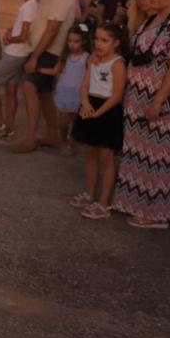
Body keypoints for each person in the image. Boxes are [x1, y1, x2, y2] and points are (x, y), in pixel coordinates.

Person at [112, 0, 170, 228]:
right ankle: (135, 204)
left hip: (162, 99)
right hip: (138, 97)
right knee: (138, 152)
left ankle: (156, 214)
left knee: (158, 155)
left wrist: (158, 100)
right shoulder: (152, 20)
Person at [14, 0, 77, 153]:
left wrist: (34, 57)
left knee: (29, 87)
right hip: (42, 48)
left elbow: (52, 28)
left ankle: (31, 137)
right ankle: (53, 135)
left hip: (50, 50)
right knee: (44, 94)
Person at [70, 23, 128, 219]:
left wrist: (98, 113)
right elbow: (85, 85)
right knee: (90, 153)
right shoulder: (93, 60)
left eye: (105, 40)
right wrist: (85, 104)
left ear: (116, 43)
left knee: (106, 158)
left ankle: (104, 203)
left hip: (107, 112)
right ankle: (90, 193)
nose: (99, 44)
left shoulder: (118, 64)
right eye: (97, 40)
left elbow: (117, 96)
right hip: (90, 107)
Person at [0, 0, 41, 139]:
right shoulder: (32, 4)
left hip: (16, 53)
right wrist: (11, 31)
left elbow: (24, 35)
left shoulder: (30, 6)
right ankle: (8, 128)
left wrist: (10, 38)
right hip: (19, 53)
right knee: (10, 90)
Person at [46, 25, 91, 155]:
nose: (72, 44)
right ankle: (63, 140)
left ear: (83, 41)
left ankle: (72, 141)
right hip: (64, 93)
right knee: (63, 122)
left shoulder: (87, 58)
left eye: (76, 41)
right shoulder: (65, 55)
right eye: (70, 41)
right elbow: (56, 71)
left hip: (78, 95)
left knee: (75, 121)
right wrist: (39, 70)